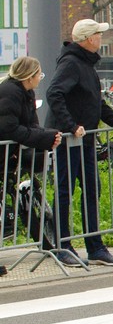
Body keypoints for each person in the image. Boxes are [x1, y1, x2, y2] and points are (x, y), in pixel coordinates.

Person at [45, 18, 113, 267]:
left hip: (85, 140)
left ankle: (95, 247)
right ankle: (63, 245)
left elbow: (94, 101)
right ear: (89, 39)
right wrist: (70, 126)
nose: (101, 38)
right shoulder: (71, 62)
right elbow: (53, 93)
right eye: (99, 34)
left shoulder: (87, 64)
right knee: (65, 191)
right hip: (69, 139)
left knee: (92, 189)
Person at [0, 57, 63, 272]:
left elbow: (30, 125)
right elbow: (9, 128)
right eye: (39, 75)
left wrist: (48, 135)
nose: (40, 79)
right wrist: (44, 137)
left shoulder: (24, 93)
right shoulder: (11, 93)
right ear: (29, 77)